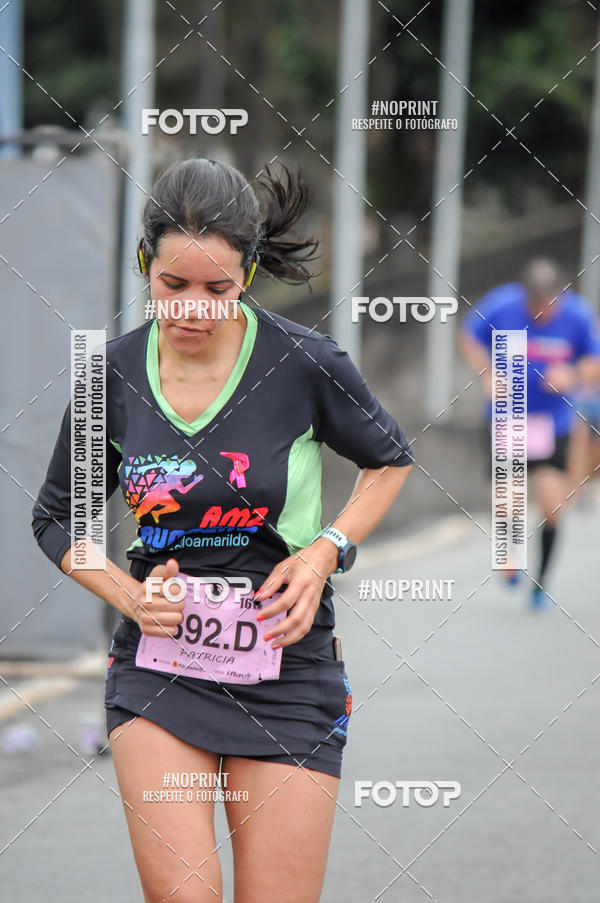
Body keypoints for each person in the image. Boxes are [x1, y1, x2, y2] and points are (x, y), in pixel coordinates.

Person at [31, 159, 413, 903]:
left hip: (288, 665)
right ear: (146, 265)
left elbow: (389, 460)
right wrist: (130, 596)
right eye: (174, 286)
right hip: (160, 665)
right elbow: (57, 517)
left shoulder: (303, 364)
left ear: (249, 274)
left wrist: (323, 551)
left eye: (219, 289)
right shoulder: (111, 376)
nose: (195, 309)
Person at [459, 257, 600, 609]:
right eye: (535, 306)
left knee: (553, 506)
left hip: (554, 422)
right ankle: (510, 555)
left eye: (548, 305)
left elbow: (594, 362)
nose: (541, 314)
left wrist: (572, 375)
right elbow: (468, 336)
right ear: (525, 298)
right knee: (506, 499)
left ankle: (542, 583)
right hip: (508, 418)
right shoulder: (501, 305)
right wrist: (488, 374)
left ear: (560, 297)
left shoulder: (579, 316)